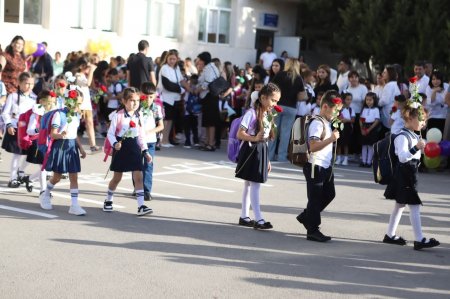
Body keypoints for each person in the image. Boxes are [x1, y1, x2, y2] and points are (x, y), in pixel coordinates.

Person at [383, 99, 440, 250]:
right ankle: (420, 239)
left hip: (410, 172)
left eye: (425, 120)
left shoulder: (414, 135)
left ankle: (390, 234)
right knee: (414, 205)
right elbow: (402, 157)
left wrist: (424, 149)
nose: (423, 123)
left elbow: (419, 153)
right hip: (404, 173)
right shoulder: (402, 136)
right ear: (410, 118)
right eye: (421, 119)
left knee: (400, 205)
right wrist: (416, 148)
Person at [296, 90, 342, 242]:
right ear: (325, 107)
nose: (336, 114)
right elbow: (313, 146)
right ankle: (313, 230)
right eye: (335, 110)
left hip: (325, 165)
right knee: (315, 198)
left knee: (329, 194)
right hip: (315, 165)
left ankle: (307, 216)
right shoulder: (317, 123)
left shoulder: (326, 122)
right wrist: (331, 139)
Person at [235, 83, 281, 230]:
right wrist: (254, 138)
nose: (275, 104)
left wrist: (267, 159)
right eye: (273, 100)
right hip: (251, 151)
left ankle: (244, 216)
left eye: (277, 101)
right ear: (262, 98)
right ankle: (259, 219)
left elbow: (265, 139)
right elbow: (240, 133)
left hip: (260, 150)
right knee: (254, 184)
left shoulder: (267, 114)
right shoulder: (251, 113)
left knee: (249, 184)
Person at [102, 87, 153, 216]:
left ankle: (141, 206)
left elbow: (141, 135)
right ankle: (108, 200)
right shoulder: (117, 115)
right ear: (124, 101)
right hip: (121, 147)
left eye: (137, 100)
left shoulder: (138, 114)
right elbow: (110, 134)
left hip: (134, 147)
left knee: (139, 177)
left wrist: (145, 151)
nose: (135, 103)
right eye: (131, 100)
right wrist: (115, 144)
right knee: (117, 178)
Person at [39, 88, 87, 215]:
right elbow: (53, 134)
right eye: (77, 103)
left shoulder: (76, 115)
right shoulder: (59, 115)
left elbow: (74, 134)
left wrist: (81, 148)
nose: (79, 106)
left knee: (74, 176)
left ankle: (74, 205)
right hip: (60, 146)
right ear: (69, 102)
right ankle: (45, 194)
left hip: (72, 147)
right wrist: (61, 135)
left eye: (80, 103)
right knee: (57, 177)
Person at [1, 72, 36, 187]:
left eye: (31, 84)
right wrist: (9, 125)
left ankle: (21, 170)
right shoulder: (13, 96)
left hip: (29, 130)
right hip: (16, 128)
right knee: (17, 154)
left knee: (30, 154)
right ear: (19, 83)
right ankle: (13, 178)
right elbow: (5, 113)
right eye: (26, 83)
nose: (29, 86)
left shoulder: (35, 98)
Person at [269, 58, 307, 161]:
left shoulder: (280, 75)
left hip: (277, 105)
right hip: (291, 107)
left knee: (273, 131)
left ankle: (270, 155)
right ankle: (282, 156)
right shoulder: (298, 78)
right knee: (285, 134)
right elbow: (302, 96)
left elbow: (270, 88)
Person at [24, 90, 56, 194]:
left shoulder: (53, 112)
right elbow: (29, 130)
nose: (50, 104)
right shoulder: (36, 113)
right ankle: (43, 190)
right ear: (41, 101)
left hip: (50, 141)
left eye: (52, 101)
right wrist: (39, 129)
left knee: (47, 167)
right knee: (43, 167)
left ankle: (30, 179)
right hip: (38, 142)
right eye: (48, 101)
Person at [157, 49, 190, 147]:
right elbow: (168, 84)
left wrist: (189, 88)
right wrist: (181, 90)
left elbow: (181, 80)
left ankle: (166, 140)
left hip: (175, 98)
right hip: (166, 97)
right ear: (167, 58)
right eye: (170, 58)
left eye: (174, 59)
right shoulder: (164, 68)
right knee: (166, 120)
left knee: (171, 120)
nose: (172, 61)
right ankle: (163, 140)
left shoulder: (177, 69)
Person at [140, 82, 164, 201]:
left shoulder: (156, 108)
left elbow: (161, 126)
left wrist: (150, 131)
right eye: (145, 96)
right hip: (138, 141)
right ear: (140, 94)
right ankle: (138, 188)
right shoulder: (137, 107)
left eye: (151, 96)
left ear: (154, 96)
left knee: (148, 166)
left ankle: (146, 191)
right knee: (137, 166)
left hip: (150, 141)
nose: (148, 99)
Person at [196, 51, 220, 151]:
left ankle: (210, 143)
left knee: (210, 121)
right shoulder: (212, 67)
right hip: (211, 97)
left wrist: (198, 89)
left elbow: (207, 83)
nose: (199, 61)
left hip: (209, 97)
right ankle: (207, 142)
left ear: (203, 60)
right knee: (208, 121)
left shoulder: (209, 68)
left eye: (200, 59)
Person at [359, 92, 380, 167]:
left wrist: (369, 129)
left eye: (370, 100)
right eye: (367, 100)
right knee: (364, 145)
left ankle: (369, 162)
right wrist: (362, 129)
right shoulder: (364, 109)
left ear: (374, 100)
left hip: (372, 127)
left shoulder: (376, 109)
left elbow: (377, 120)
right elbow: (361, 119)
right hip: (364, 126)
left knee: (370, 145)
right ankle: (364, 161)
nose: (368, 101)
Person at [379, 66, 400, 136]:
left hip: (388, 113)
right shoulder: (394, 84)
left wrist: (376, 103)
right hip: (393, 112)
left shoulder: (389, 85)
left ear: (389, 74)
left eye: (385, 72)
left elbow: (384, 101)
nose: (382, 74)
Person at [336, 93, 354, 166]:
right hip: (340, 126)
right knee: (339, 143)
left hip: (347, 127)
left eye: (350, 100)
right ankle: (338, 158)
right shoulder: (339, 109)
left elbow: (353, 120)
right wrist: (339, 119)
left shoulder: (351, 109)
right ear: (343, 100)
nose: (349, 101)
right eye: (347, 99)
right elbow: (336, 117)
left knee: (346, 143)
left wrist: (346, 120)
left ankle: (345, 159)